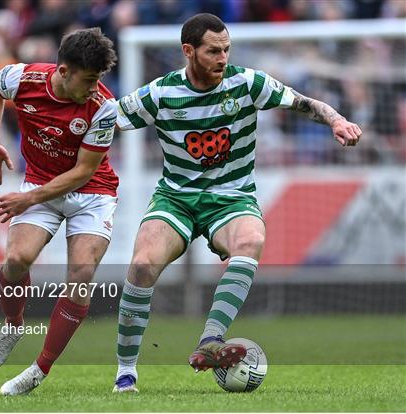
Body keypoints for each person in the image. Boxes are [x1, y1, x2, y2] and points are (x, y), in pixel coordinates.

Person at [112, 13, 362, 393]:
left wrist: (336, 120)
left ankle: (210, 340)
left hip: (231, 197)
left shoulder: (247, 83)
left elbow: (303, 102)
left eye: (226, 49)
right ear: (188, 51)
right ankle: (125, 373)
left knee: (251, 240)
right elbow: (108, 120)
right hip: (176, 197)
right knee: (143, 264)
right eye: (213, 50)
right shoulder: (160, 93)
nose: (222, 57)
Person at [0, 27, 118, 396]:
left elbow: (84, 172)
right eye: (88, 79)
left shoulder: (103, 107)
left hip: (92, 192)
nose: (94, 87)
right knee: (16, 260)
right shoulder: (20, 78)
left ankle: (39, 369)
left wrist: (28, 199)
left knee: (81, 272)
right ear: (62, 70)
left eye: (98, 80)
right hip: (41, 182)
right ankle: (13, 324)